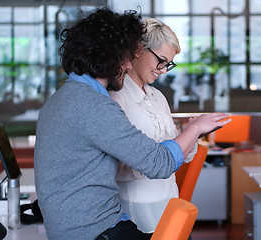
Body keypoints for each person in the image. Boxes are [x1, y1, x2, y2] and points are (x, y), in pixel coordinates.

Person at [34, 8, 230, 240]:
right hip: (95, 231)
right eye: (125, 58)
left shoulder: (61, 98)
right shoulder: (96, 105)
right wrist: (195, 129)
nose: (128, 66)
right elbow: (158, 163)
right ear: (107, 56)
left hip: (92, 225)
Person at [109, 18, 197, 234]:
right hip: (137, 210)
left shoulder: (158, 97)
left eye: (169, 64)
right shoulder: (115, 98)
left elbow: (181, 156)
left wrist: (190, 134)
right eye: (162, 61)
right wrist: (157, 160)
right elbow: (111, 166)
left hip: (168, 203)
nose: (164, 70)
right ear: (138, 50)